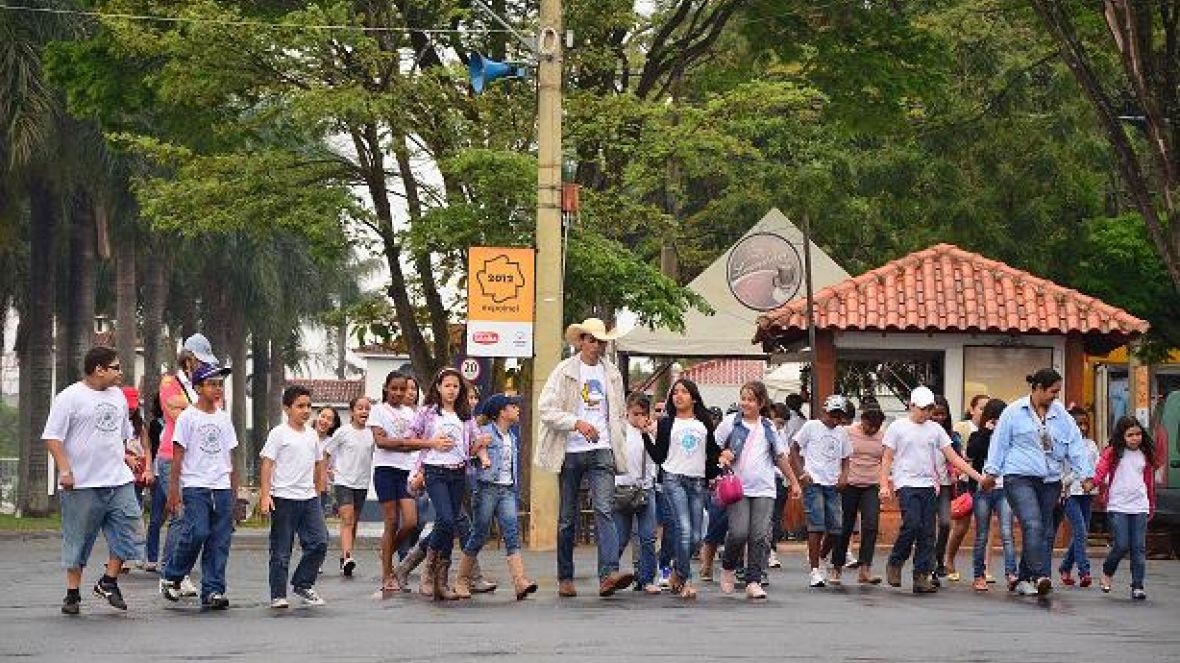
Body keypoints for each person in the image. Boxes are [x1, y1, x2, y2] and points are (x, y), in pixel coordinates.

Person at [44, 346, 152, 615]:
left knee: (130, 528)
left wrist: (126, 456)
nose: (120, 372)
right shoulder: (70, 397)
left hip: (118, 480)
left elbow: (122, 433)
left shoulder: (117, 396)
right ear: (98, 369)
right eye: (116, 367)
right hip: (82, 483)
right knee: (78, 539)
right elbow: (52, 437)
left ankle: (109, 581)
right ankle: (72, 594)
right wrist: (65, 469)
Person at [536, 318, 634, 598]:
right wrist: (576, 423)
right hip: (570, 450)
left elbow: (617, 413)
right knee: (568, 517)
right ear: (580, 341)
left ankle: (608, 574)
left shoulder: (612, 373)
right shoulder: (564, 371)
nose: (597, 345)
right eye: (591, 340)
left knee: (604, 509)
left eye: (601, 341)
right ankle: (565, 576)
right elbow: (546, 409)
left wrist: (619, 436)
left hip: (602, 447)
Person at [982, 369, 1095, 596]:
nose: (1056, 396)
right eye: (1053, 391)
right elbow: (999, 444)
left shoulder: (1062, 416)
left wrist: (1086, 476)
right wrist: (991, 474)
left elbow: (1075, 445)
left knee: (1043, 529)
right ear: (1038, 388)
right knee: (1032, 524)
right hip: (1019, 477)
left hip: (1050, 480)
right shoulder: (1013, 413)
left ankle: (1025, 578)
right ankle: (1040, 574)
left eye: (1058, 391)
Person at [880, 386, 984, 594]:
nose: (927, 414)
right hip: (906, 484)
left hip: (929, 485)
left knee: (928, 532)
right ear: (911, 406)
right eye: (923, 409)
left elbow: (953, 458)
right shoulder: (898, 427)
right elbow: (887, 458)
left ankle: (921, 576)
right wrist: (884, 484)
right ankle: (896, 561)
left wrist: (979, 477)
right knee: (912, 524)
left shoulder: (935, 430)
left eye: (930, 409)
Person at [158, 362, 237, 609]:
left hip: (221, 486)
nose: (217, 389)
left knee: (219, 540)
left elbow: (230, 458)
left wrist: (235, 494)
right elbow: (177, 456)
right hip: (195, 485)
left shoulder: (224, 419)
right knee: (199, 531)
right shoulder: (187, 418)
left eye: (220, 385)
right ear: (198, 387)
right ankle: (172, 574)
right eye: (212, 384)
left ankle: (213, 590)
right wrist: (174, 491)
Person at [405, 368, 487, 601]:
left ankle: (441, 582)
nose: (451, 390)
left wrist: (482, 450)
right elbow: (410, 439)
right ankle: (428, 571)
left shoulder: (465, 414)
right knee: (447, 519)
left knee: (448, 526)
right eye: (447, 385)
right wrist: (432, 442)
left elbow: (473, 442)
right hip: (434, 471)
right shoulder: (427, 412)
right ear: (438, 387)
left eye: (456, 386)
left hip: (458, 472)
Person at [716, 381, 802, 600]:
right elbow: (714, 447)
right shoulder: (730, 423)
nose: (745, 403)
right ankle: (729, 567)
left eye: (751, 399)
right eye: (743, 398)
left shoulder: (768, 427)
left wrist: (794, 481)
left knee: (759, 536)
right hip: (737, 487)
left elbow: (780, 457)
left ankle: (753, 580)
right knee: (738, 532)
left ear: (761, 403)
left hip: (764, 487)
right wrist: (722, 456)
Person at [145, 338, 211, 598]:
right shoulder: (169, 382)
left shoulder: (202, 386)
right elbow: (177, 415)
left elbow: (211, 412)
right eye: (201, 361)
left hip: (197, 458)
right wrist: (194, 407)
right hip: (171, 455)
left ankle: (180, 572)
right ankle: (170, 573)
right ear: (189, 360)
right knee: (180, 514)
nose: (204, 366)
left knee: (192, 518)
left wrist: (191, 406)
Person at [459, 393, 539, 600]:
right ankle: (461, 580)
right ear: (502, 412)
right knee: (480, 534)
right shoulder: (484, 432)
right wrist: (476, 447)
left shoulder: (512, 436)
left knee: (512, 534)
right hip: (486, 488)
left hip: (507, 490)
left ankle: (520, 581)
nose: (517, 409)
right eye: (513, 406)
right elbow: (467, 455)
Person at [650, 378, 720, 599]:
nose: (678, 396)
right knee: (684, 529)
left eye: (684, 392)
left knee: (697, 536)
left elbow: (712, 451)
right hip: (673, 479)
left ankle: (677, 570)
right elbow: (659, 456)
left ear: (694, 397)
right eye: (675, 392)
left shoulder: (704, 422)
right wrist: (645, 435)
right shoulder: (665, 423)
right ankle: (686, 581)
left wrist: (722, 457)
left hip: (698, 482)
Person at [260, 385, 329, 608]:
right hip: (283, 498)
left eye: (309, 406)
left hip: (308, 499)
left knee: (319, 542)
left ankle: (303, 583)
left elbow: (319, 464)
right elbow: (267, 464)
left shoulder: (312, 435)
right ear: (287, 408)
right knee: (281, 550)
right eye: (300, 406)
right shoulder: (278, 434)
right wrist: (265, 495)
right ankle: (278, 595)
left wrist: (317, 492)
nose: (306, 410)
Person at [368, 372, 427, 592]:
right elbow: (381, 442)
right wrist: (404, 442)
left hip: (406, 471)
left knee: (411, 522)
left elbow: (416, 444)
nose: (399, 393)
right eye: (394, 388)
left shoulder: (411, 414)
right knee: (391, 522)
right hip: (385, 470)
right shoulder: (378, 410)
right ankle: (387, 574)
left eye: (403, 389)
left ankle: (386, 550)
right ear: (386, 388)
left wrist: (404, 443)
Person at [790, 394, 853, 588]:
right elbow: (794, 448)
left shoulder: (841, 433)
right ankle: (815, 570)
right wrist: (801, 473)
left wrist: (844, 475)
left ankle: (821, 556)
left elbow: (846, 457)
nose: (835, 420)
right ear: (824, 412)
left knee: (836, 527)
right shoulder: (811, 426)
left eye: (839, 416)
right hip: (814, 481)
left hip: (832, 484)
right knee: (816, 525)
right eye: (833, 415)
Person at [1095, 416, 1157, 599]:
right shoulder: (1113, 452)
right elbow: (1101, 470)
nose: (1135, 438)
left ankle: (1137, 585)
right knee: (1121, 544)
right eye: (1130, 435)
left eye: (1138, 434)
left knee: (1139, 547)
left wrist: (1151, 504)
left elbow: (1148, 482)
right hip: (1118, 505)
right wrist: (1093, 483)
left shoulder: (1145, 453)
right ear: (1122, 436)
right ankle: (1107, 571)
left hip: (1140, 505)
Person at [966, 398, 1017, 592]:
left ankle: (1011, 573)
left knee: (1006, 533)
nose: (997, 424)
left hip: (1004, 488)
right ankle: (979, 575)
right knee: (981, 534)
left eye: (1000, 420)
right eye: (994, 419)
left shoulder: (1010, 437)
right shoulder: (977, 435)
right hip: (983, 489)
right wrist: (986, 432)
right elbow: (971, 453)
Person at [831, 407, 886, 585]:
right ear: (862, 420)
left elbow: (887, 459)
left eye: (876, 427)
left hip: (871, 485)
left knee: (871, 525)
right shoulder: (847, 432)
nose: (872, 430)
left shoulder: (883, 436)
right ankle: (837, 568)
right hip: (850, 484)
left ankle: (865, 570)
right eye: (869, 426)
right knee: (845, 527)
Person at [613, 392, 662, 594]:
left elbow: (658, 456)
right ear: (627, 411)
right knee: (620, 537)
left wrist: (651, 432)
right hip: (621, 487)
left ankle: (647, 577)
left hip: (645, 488)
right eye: (635, 414)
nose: (639, 418)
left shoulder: (650, 431)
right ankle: (608, 573)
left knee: (647, 536)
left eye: (643, 413)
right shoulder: (619, 430)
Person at [324, 396, 374, 577]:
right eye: (360, 408)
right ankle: (347, 557)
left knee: (353, 522)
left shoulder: (372, 434)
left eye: (367, 409)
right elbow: (326, 453)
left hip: (362, 482)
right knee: (347, 519)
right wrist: (324, 474)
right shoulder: (342, 432)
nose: (364, 411)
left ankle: (345, 557)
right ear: (352, 412)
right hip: (343, 481)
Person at [944, 394, 989, 582]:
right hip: (964, 479)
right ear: (972, 409)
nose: (984, 412)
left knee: (985, 526)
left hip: (986, 481)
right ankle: (949, 559)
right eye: (981, 408)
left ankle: (984, 568)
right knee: (961, 525)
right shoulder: (962, 428)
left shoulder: (995, 429)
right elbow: (959, 453)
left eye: (988, 409)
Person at [1058, 406, 1100, 587]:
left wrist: (1096, 481)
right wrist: (1069, 480)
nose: (1083, 427)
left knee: (1081, 533)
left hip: (1087, 493)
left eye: (1085, 424)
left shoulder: (1091, 444)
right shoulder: (1063, 445)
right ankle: (1085, 572)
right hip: (1070, 494)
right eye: (1078, 424)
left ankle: (1065, 567)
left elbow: (1098, 467)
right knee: (1081, 531)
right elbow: (1059, 471)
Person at [929, 397, 960, 582]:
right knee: (928, 527)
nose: (938, 417)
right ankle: (931, 566)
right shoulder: (923, 432)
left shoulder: (952, 435)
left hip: (946, 485)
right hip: (926, 484)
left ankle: (938, 559)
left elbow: (958, 458)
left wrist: (956, 469)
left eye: (942, 414)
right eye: (935, 413)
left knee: (945, 523)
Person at [313, 406, 342, 517]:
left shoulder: (333, 444)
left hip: (321, 490)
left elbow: (335, 470)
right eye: (323, 416)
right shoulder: (305, 436)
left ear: (333, 424)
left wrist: (332, 474)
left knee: (316, 527)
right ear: (317, 417)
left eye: (329, 419)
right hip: (300, 487)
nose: (324, 421)